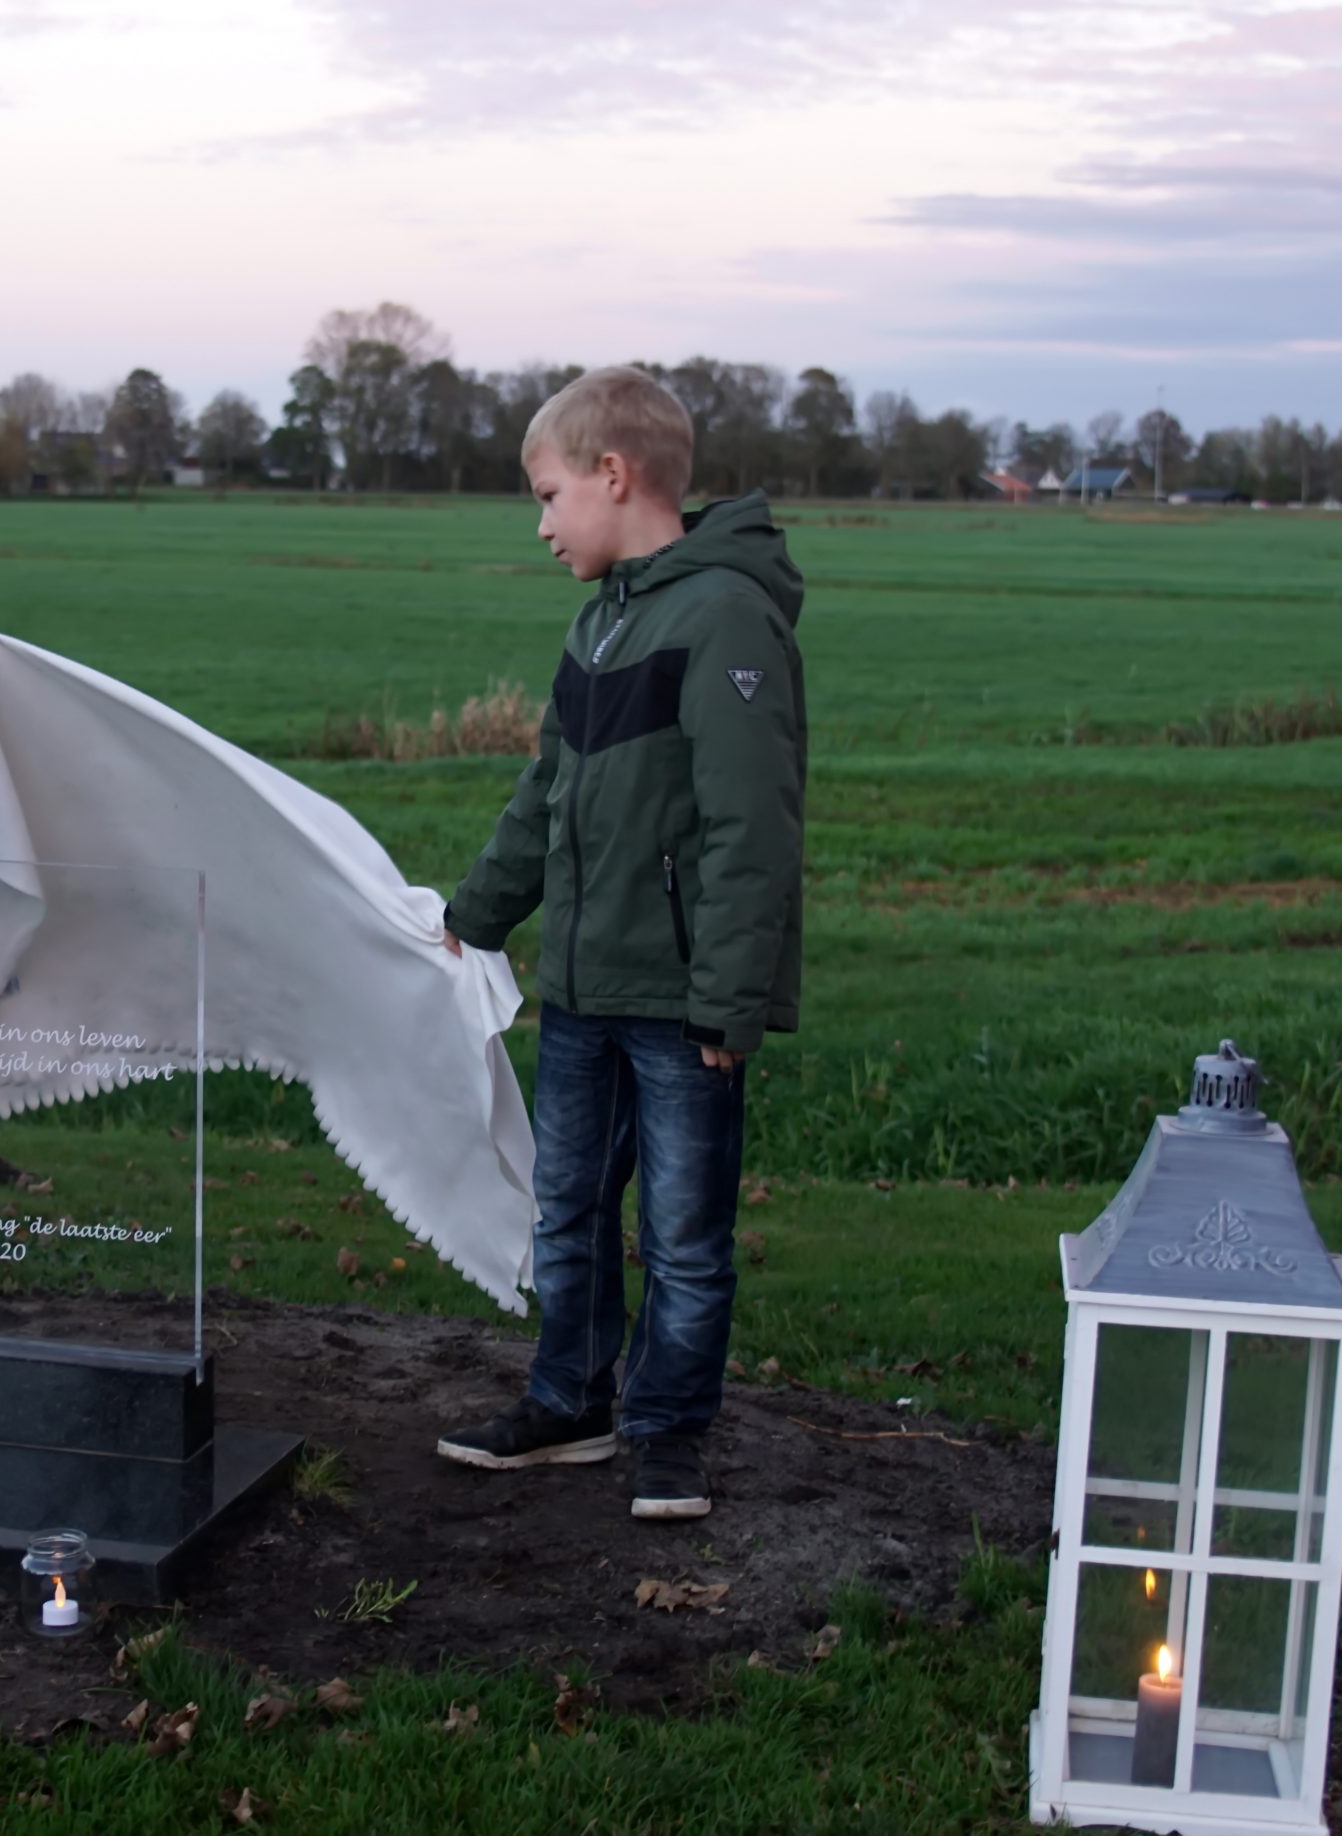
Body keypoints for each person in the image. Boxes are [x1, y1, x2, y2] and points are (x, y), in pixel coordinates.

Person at [433, 366, 805, 1520]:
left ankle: (668, 1434)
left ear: (613, 474)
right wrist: (474, 914)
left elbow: (753, 828)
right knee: (568, 1212)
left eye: (548, 496)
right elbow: (546, 795)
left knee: (684, 1235)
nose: (543, 525)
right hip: (584, 994)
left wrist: (729, 1004)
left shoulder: (724, 616)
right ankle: (567, 1406)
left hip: (681, 1005)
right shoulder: (598, 623)